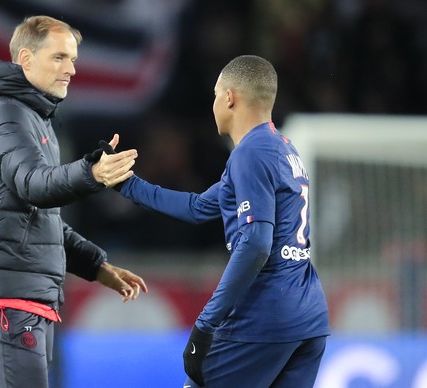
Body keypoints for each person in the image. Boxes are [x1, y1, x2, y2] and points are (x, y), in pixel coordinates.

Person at [116, 55, 330, 387]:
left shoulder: (250, 153)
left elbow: (257, 243)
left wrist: (205, 323)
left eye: (216, 95)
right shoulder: (281, 148)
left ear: (229, 97)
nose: (214, 103)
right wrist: (125, 183)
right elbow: (198, 207)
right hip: (308, 317)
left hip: (264, 316)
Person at [0, 15, 148, 388]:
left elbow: (38, 217)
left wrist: (96, 266)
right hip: (10, 294)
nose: (72, 70)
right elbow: (34, 185)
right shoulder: (4, 112)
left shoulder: (34, 117)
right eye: (60, 58)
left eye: (73, 59)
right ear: (26, 59)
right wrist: (90, 174)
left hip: (28, 293)